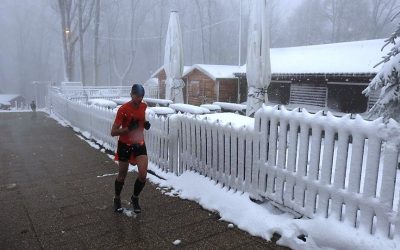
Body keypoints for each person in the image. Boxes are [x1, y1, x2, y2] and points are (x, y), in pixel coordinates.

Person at [110, 84, 151, 213]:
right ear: (131, 94)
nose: (140, 99)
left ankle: (135, 198)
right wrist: (128, 129)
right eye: (137, 96)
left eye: (142, 96)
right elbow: (113, 132)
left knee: (143, 175)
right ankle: (117, 198)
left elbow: (141, 119)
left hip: (139, 144)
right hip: (124, 145)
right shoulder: (123, 109)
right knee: (122, 175)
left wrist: (145, 123)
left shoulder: (144, 106)